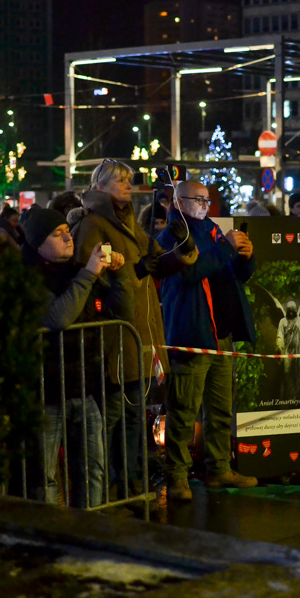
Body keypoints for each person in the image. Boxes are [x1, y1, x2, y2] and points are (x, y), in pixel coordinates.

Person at [68, 159, 197, 497]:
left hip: (140, 333)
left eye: (128, 180)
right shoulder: (93, 224)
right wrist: (133, 271)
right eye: (120, 180)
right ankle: (111, 490)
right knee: (113, 418)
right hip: (114, 338)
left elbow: (155, 261)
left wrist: (182, 252)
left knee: (136, 418)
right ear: (100, 186)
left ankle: (134, 485)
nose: (127, 185)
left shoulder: (128, 223)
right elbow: (93, 280)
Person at [20, 207, 132, 507]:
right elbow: (58, 317)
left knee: (92, 470)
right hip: (46, 391)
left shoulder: (77, 269)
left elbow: (124, 311)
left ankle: (91, 531)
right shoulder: (27, 276)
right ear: (38, 243)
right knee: (45, 476)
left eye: (66, 230)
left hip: (85, 385)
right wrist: (89, 274)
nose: (68, 237)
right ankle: (54, 536)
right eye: (57, 234)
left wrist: (119, 274)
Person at [156, 180, 259, 501]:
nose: (204, 204)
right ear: (179, 201)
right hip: (192, 335)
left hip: (220, 336)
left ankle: (219, 469)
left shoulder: (213, 230)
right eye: (197, 199)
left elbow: (235, 276)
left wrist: (246, 257)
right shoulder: (172, 234)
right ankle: (177, 476)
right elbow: (190, 272)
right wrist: (227, 247)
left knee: (220, 409)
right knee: (184, 410)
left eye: (206, 199)